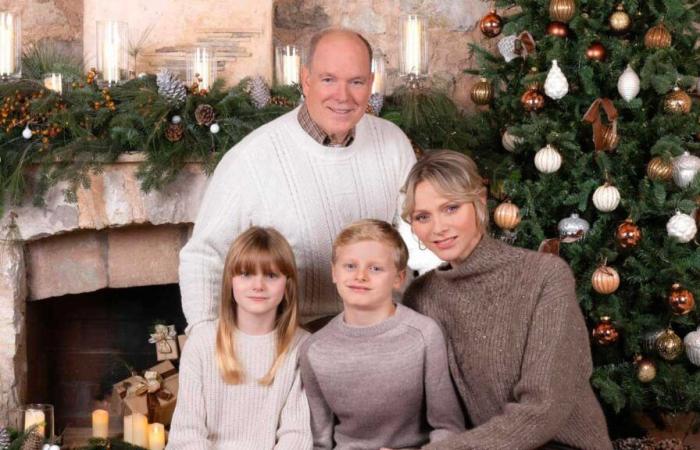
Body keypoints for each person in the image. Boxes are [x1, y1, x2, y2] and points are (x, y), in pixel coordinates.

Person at [178, 28, 416, 333]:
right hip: (288, 341)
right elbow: (204, 255)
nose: (342, 96)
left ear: (370, 84)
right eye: (328, 79)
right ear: (306, 80)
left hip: (380, 329)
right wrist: (203, 337)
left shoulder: (393, 143)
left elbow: (418, 243)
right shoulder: (251, 158)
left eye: (355, 82)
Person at [401, 150, 613, 450]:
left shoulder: (545, 275)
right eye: (423, 217)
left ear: (479, 201)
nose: (438, 228)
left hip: (559, 444)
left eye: (451, 208)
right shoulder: (421, 296)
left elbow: (543, 408)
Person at [299, 219, 464, 449]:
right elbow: (319, 441)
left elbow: (449, 428)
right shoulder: (313, 349)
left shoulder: (424, 335)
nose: (360, 276)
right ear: (334, 272)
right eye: (350, 266)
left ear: (398, 279)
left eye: (375, 268)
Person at [167, 227, 312, 449]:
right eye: (246, 274)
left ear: (287, 284)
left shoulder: (301, 347)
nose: (258, 286)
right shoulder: (202, 343)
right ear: (231, 280)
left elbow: (297, 435)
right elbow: (187, 433)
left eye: (271, 275)